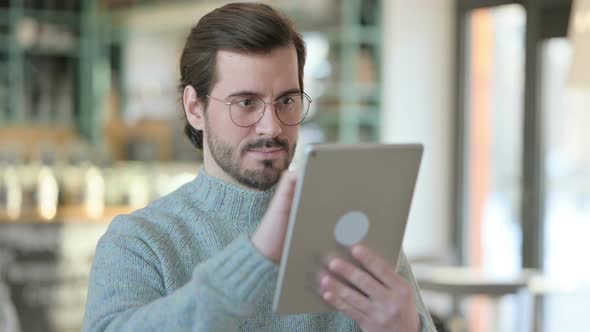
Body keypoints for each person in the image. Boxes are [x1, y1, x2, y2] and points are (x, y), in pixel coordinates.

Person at [82, 3, 437, 331]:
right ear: (195, 108)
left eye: (287, 100)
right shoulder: (139, 241)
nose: (272, 126)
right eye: (246, 102)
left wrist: (411, 328)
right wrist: (255, 258)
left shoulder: (355, 227)